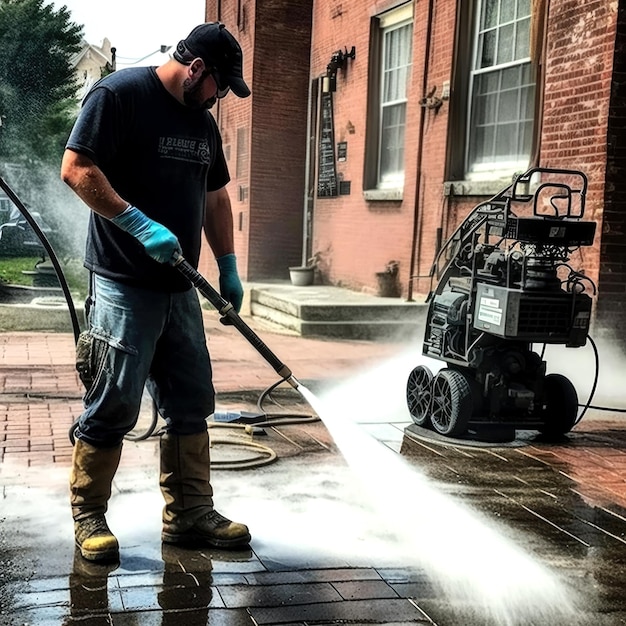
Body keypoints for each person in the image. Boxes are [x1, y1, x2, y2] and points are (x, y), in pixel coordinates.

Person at [60, 22, 252, 563]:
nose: (219, 99)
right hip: (124, 283)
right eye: (219, 85)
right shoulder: (120, 95)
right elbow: (75, 169)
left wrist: (230, 266)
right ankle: (89, 516)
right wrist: (139, 224)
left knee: (192, 401)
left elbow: (216, 199)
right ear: (196, 70)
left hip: (179, 287)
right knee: (113, 402)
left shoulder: (202, 123)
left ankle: (189, 514)